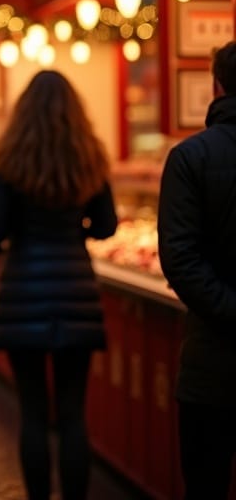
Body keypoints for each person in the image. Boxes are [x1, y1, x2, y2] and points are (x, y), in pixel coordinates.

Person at [0, 69, 117, 500]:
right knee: (74, 415)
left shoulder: (10, 163)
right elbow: (108, 225)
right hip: (76, 290)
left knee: (33, 414)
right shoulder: (89, 157)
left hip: (22, 294)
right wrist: (77, 231)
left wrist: (18, 235)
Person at [159, 40, 236, 500]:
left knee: (205, 485)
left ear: (216, 86)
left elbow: (181, 260)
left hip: (212, 364)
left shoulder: (190, 158)